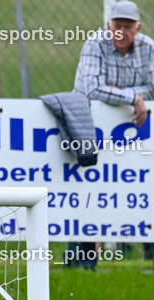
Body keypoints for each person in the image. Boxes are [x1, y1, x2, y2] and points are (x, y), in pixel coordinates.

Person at [72, 0, 152, 268]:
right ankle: (81, 265)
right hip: (91, 130)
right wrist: (132, 96)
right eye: (116, 26)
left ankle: (148, 262)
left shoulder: (148, 47)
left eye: (127, 27)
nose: (121, 32)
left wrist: (125, 94)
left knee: (143, 189)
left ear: (137, 28)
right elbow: (91, 89)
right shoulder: (95, 44)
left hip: (134, 136)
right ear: (108, 26)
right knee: (86, 192)